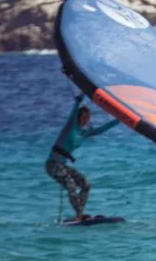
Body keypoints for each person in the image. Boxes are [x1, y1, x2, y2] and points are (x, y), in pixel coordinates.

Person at [46, 94, 118, 222]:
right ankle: (79, 215)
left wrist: (118, 120)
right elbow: (73, 112)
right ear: (78, 117)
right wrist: (78, 100)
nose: (86, 119)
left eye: (88, 117)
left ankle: (79, 214)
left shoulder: (84, 132)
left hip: (62, 165)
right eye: (84, 116)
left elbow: (100, 130)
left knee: (85, 184)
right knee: (71, 184)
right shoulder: (71, 126)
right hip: (53, 164)